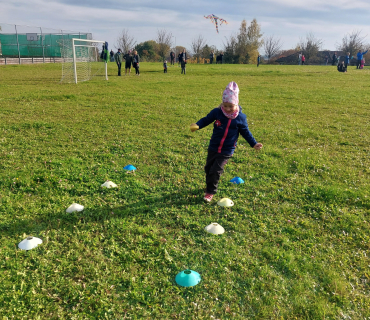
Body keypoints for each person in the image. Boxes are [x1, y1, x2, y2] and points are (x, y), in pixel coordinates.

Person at [189, 81, 263, 202]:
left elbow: (245, 132)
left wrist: (254, 143)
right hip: (214, 146)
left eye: (231, 106)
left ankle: (210, 192)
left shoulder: (240, 118)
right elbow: (206, 120)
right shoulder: (217, 112)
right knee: (208, 168)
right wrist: (197, 125)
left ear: (236, 103)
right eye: (225, 105)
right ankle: (209, 185)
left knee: (216, 170)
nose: (228, 109)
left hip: (227, 149)